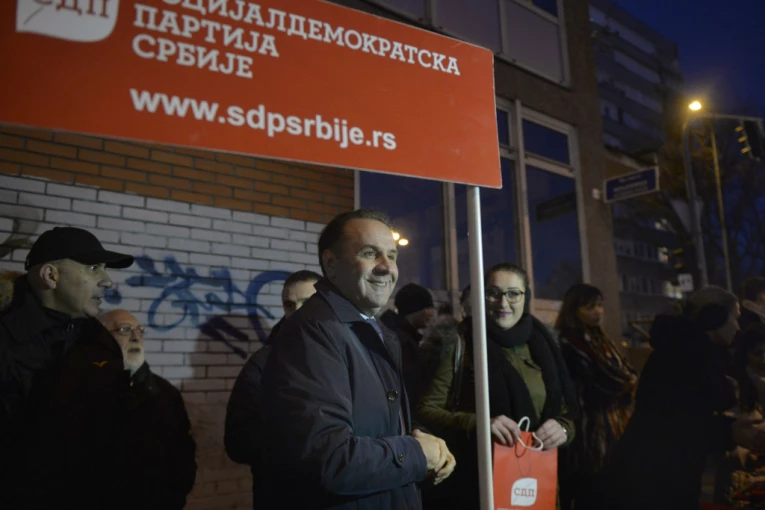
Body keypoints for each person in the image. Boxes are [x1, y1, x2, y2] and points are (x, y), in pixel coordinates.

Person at [260, 209, 456, 510]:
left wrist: (426, 442)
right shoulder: (313, 333)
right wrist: (416, 453)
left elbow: (379, 424)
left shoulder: (370, 330)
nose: (386, 267)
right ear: (331, 264)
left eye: (392, 256)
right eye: (369, 253)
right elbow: (329, 458)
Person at [418, 262, 577, 510]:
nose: (503, 303)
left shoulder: (544, 346)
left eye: (513, 294)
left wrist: (564, 430)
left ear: (526, 297)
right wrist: (480, 424)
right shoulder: (461, 342)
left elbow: (567, 413)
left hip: (537, 483)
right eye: (493, 293)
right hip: (478, 485)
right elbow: (427, 411)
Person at [0, 227, 134, 508]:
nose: (107, 281)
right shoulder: (7, 340)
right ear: (50, 275)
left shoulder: (101, 343)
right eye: (93, 268)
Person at [597, 286, 765, 510]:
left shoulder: (694, 352)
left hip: (664, 476)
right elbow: (677, 425)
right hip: (651, 481)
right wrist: (730, 432)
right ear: (714, 319)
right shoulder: (683, 358)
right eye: (735, 318)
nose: (738, 327)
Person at [224, 269, 321, 503]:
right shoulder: (264, 364)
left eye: (307, 303)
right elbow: (238, 442)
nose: (297, 311)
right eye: (290, 305)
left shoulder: (349, 354)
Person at [98, 309, 197, 510]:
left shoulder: (165, 392)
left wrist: (174, 496)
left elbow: (183, 452)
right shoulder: (85, 386)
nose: (135, 337)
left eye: (140, 330)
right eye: (124, 330)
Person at [554, 284, 637, 510]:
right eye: (590, 307)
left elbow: (623, 370)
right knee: (592, 489)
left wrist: (628, 379)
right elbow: (603, 380)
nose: (598, 311)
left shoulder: (600, 338)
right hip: (588, 429)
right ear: (574, 309)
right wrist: (628, 381)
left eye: (600, 305)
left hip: (612, 426)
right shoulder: (570, 343)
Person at [380, 282, 436, 407]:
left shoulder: (398, 335)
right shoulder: (402, 342)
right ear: (415, 310)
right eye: (427, 308)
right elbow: (409, 388)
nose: (431, 313)